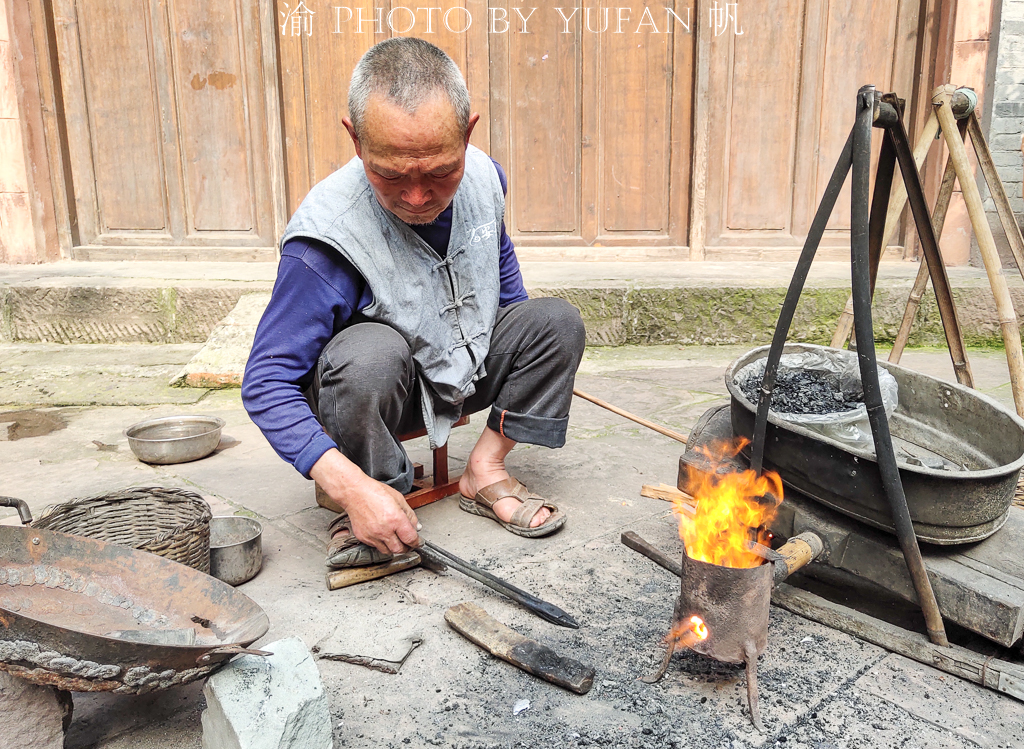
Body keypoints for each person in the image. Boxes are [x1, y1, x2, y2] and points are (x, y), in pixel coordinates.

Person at [242, 37, 586, 569]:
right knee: (368, 351)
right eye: (392, 175)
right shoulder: (324, 239)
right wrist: (348, 485)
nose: (418, 196)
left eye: (439, 171)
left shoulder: (484, 178)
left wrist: (526, 370)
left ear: (468, 133)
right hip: (378, 398)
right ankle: (373, 494)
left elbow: (506, 291)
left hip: (464, 368)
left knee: (554, 322)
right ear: (355, 141)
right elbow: (265, 383)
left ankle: (484, 471)